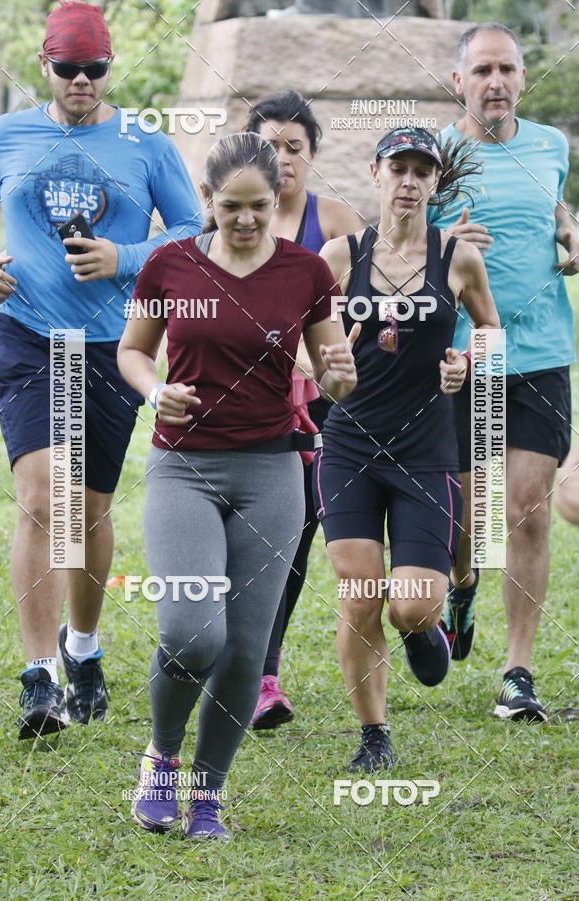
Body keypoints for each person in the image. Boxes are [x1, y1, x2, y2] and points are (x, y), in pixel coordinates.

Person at [117, 131, 357, 839]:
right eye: (231, 206)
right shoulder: (170, 265)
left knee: (248, 650)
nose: (247, 219)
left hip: (273, 470)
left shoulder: (306, 272)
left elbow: (333, 374)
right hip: (184, 466)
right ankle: (161, 759)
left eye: (260, 205)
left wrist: (339, 376)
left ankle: (207, 794)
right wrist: (154, 390)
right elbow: (133, 351)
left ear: (277, 197)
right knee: (191, 633)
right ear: (207, 199)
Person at [0, 0, 203, 740]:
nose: (82, 80)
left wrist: (124, 257)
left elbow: (191, 228)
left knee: (90, 509)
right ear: (45, 64)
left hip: (110, 343)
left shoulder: (145, 142)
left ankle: (82, 646)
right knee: (44, 496)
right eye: (69, 67)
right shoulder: (7, 134)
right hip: (28, 333)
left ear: (111, 67)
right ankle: (39, 678)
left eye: (96, 68)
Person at [315, 127, 500, 771]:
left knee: (412, 605)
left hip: (425, 451)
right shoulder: (339, 256)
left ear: (435, 182)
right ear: (376, 173)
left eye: (423, 171)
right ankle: (374, 735)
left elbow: (490, 330)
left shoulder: (458, 259)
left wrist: (466, 363)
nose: (410, 182)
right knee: (361, 594)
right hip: (349, 448)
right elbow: (306, 343)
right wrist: (327, 362)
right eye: (399, 168)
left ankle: (425, 625)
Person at [430, 23, 579, 721]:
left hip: (541, 350)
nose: (497, 82)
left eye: (508, 69)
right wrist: (442, 241)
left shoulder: (551, 145)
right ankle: (462, 586)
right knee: (470, 520)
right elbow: (393, 243)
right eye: (483, 70)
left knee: (525, 510)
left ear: (522, 77)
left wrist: (570, 228)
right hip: (466, 356)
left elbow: (554, 207)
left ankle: (518, 670)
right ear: (458, 80)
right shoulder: (433, 154)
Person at [245, 90, 361, 728]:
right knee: (247, 538)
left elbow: (381, 292)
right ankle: (234, 659)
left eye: (295, 147)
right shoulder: (229, 221)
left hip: (322, 410)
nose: (283, 158)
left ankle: (265, 675)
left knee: (294, 536)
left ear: (313, 154)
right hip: (243, 407)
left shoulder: (336, 221)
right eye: (270, 147)